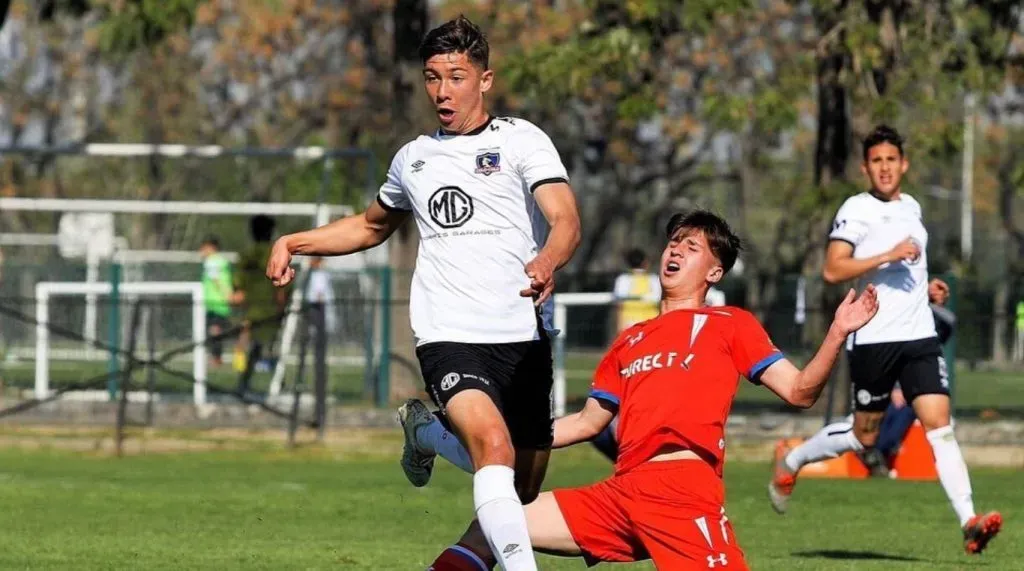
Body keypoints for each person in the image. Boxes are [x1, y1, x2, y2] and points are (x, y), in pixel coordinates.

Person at [265, 16, 581, 571]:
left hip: (524, 335)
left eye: (456, 76)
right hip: (448, 334)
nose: (442, 90)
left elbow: (566, 219)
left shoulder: (522, 140)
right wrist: (295, 241)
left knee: (522, 489)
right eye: (432, 77)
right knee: (496, 450)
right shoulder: (414, 158)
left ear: (484, 79)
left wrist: (549, 258)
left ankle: (429, 437)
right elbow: (370, 226)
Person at [400, 210, 879, 569]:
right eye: (674, 242)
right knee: (494, 523)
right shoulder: (630, 340)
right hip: (621, 493)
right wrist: (500, 439)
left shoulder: (729, 324)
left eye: (691, 247)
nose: (675, 251)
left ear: (715, 272)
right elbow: (588, 423)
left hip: (681, 493)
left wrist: (837, 332)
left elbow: (799, 392)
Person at [768, 125, 1002, 555]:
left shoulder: (912, 206)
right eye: (876, 161)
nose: (885, 168)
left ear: (904, 164)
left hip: (919, 336)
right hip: (873, 339)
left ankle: (969, 520)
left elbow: (905, 271)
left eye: (891, 160)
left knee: (940, 426)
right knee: (865, 438)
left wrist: (927, 287)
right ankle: (794, 459)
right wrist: (886, 255)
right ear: (865, 167)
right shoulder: (855, 209)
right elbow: (833, 270)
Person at [235, 214, 288, 386]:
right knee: (270, 347)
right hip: (270, 308)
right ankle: (279, 383)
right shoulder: (273, 253)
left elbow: (239, 284)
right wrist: (282, 306)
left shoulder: (247, 255)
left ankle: (245, 382)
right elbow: (282, 285)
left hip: (252, 309)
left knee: (254, 346)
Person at [199, 236, 234, 367]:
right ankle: (216, 357)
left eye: (203, 248)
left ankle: (216, 358)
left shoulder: (212, 261)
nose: (201, 251)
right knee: (216, 330)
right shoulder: (221, 261)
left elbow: (216, 280)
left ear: (211, 248)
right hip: (219, 302)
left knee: (215, 330)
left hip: (215, 302)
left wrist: (227, 294)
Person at [612, 248, 661, 332]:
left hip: (629, 323)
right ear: (645, 262)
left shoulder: (623, 280)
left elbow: (619, 305)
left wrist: (619, 327)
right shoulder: (654, 280)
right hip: (651, 323)